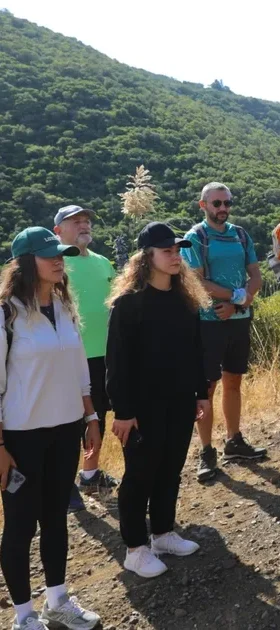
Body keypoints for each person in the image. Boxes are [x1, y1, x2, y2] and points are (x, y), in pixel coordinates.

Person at [0, 227, 102, 630]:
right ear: (26, 263)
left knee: (55, 517)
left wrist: (90, 416)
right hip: (22, 436)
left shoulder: (63, 308)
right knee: (21, 524)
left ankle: (57, 600)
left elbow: (79, 369)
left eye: (60, 254)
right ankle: (24, 615)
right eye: (49, 255)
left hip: (65, 429)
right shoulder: (6, 314)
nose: (59, 260)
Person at [105, 222, 211, 579]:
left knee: (170, 469)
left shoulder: (185, 299)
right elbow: (116, 362)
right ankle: (136, 549)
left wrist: (201, 393)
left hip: (180, 401)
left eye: (177, 250)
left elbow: (196, 350)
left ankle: (164, 533)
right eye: (167, 251)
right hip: (142, 408)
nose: (175, 256)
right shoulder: (128, 305)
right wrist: (122, 412)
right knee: (140, 475)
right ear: (146, 258)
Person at [182, 182, 267, 482]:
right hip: (208, 322)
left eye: (227, 203)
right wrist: (235, 299)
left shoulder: (240, 234)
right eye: (216, 203)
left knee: (234, 381)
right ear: (202, 205)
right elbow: (197, 282)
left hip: (238, 319)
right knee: (206, 388)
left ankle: (234, 440)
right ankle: (206, 451)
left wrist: (241, 301)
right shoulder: (196, 237)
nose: (223, 209)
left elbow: (255, 274)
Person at [52, 205, 117, 514]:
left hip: (106, 354)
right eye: (75, 221)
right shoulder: (55, 265)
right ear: (58, 232)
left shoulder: (104, 263)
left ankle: (89, 475)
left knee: (98, 417)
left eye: (87, 221)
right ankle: (62, 489)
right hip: (69, 359)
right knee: (67, 424)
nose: (84, 225)